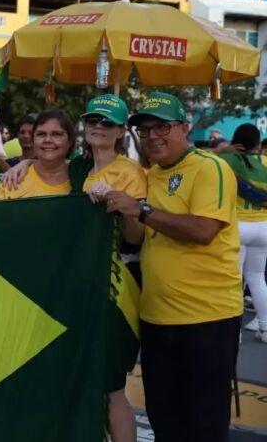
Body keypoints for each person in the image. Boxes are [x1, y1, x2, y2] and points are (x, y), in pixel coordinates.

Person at [104, 92, 241, 441]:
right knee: (164, 419)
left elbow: (204, 230)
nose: (152, 136)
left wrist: (142, 210)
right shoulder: (149, 175)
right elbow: (136, 237)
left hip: (207, 318)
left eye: (162, 127)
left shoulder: (210, 167)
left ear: (184, 128)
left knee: (204, 424)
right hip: (156, 318)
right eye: (145, 130)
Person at [76, 95, 147, 442]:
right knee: (83, 380)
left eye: (107, 122)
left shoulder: (130, 173)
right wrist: (22, 165)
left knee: (111, 386)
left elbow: (136, 237)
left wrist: (122, 206)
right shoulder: (77, 168)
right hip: (80, 286)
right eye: (93, 120)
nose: (98, 127)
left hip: (116, 287)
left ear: (121, 131)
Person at [217, 124, 267, 342]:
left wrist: (221, 150)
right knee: (257, 277)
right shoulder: (265, 161)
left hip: (237, 227)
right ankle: (265, 328)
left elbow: (195, 155)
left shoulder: (227, 160)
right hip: (264, 227)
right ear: (257, 143)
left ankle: (234, 333)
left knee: (234, 281)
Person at [0, 110, 73, 200]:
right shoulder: (12, 181)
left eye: (57, 134)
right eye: (41, 134)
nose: (48, 140)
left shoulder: (81, 174)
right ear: (33, 141)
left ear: (70, 141)